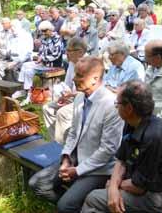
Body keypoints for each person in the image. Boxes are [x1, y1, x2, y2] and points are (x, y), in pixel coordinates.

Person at [29, 57, 124, 213]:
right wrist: (66, 159)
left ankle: (75, 206)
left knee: (64, 206)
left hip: (100, 169)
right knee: (37, 184)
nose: (73, 78)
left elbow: (108, 151)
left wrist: (78, 171)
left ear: (95, 79)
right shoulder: (80, 97)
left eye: (79, 75)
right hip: (76, 159)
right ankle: (81, 208)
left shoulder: (111, 105)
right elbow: (73, 133)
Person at [81, 81, 162, 213]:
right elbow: (120, 160)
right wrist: (113, 189)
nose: (115, 107)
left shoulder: (153, 137)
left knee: (94, 199)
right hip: (134, 182)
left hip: (156, 196)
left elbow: (139, 187)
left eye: (117, 104)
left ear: (129, 109)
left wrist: (114, 186)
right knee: (107, 195)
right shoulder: (132, 122)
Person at [42, 37, 87, 144]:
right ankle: (56, 142)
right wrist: (63, 96)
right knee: (47, 108)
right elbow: (67, 85)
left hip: (84, 100)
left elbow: (87, 91)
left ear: (80, 52)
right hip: (72, 97)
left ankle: (67, 147)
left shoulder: (88, 64)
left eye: (69, 51)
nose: (66, 54)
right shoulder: (72, 63)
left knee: (62, 113)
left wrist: (70, 95)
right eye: (66, 51)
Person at [17, 21, 63, 105]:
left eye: (45, 31)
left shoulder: (57, 39)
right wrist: (38, 57)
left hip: (52, 65)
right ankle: (25, 91)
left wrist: (42, 58)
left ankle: (28, 95)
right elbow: (41, 52)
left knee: (28, 71)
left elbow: (56, 55)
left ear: (50, 29)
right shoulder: (45, 39)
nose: (43, 33)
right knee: (25, 65)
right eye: (42, 31)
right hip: (43, 64)